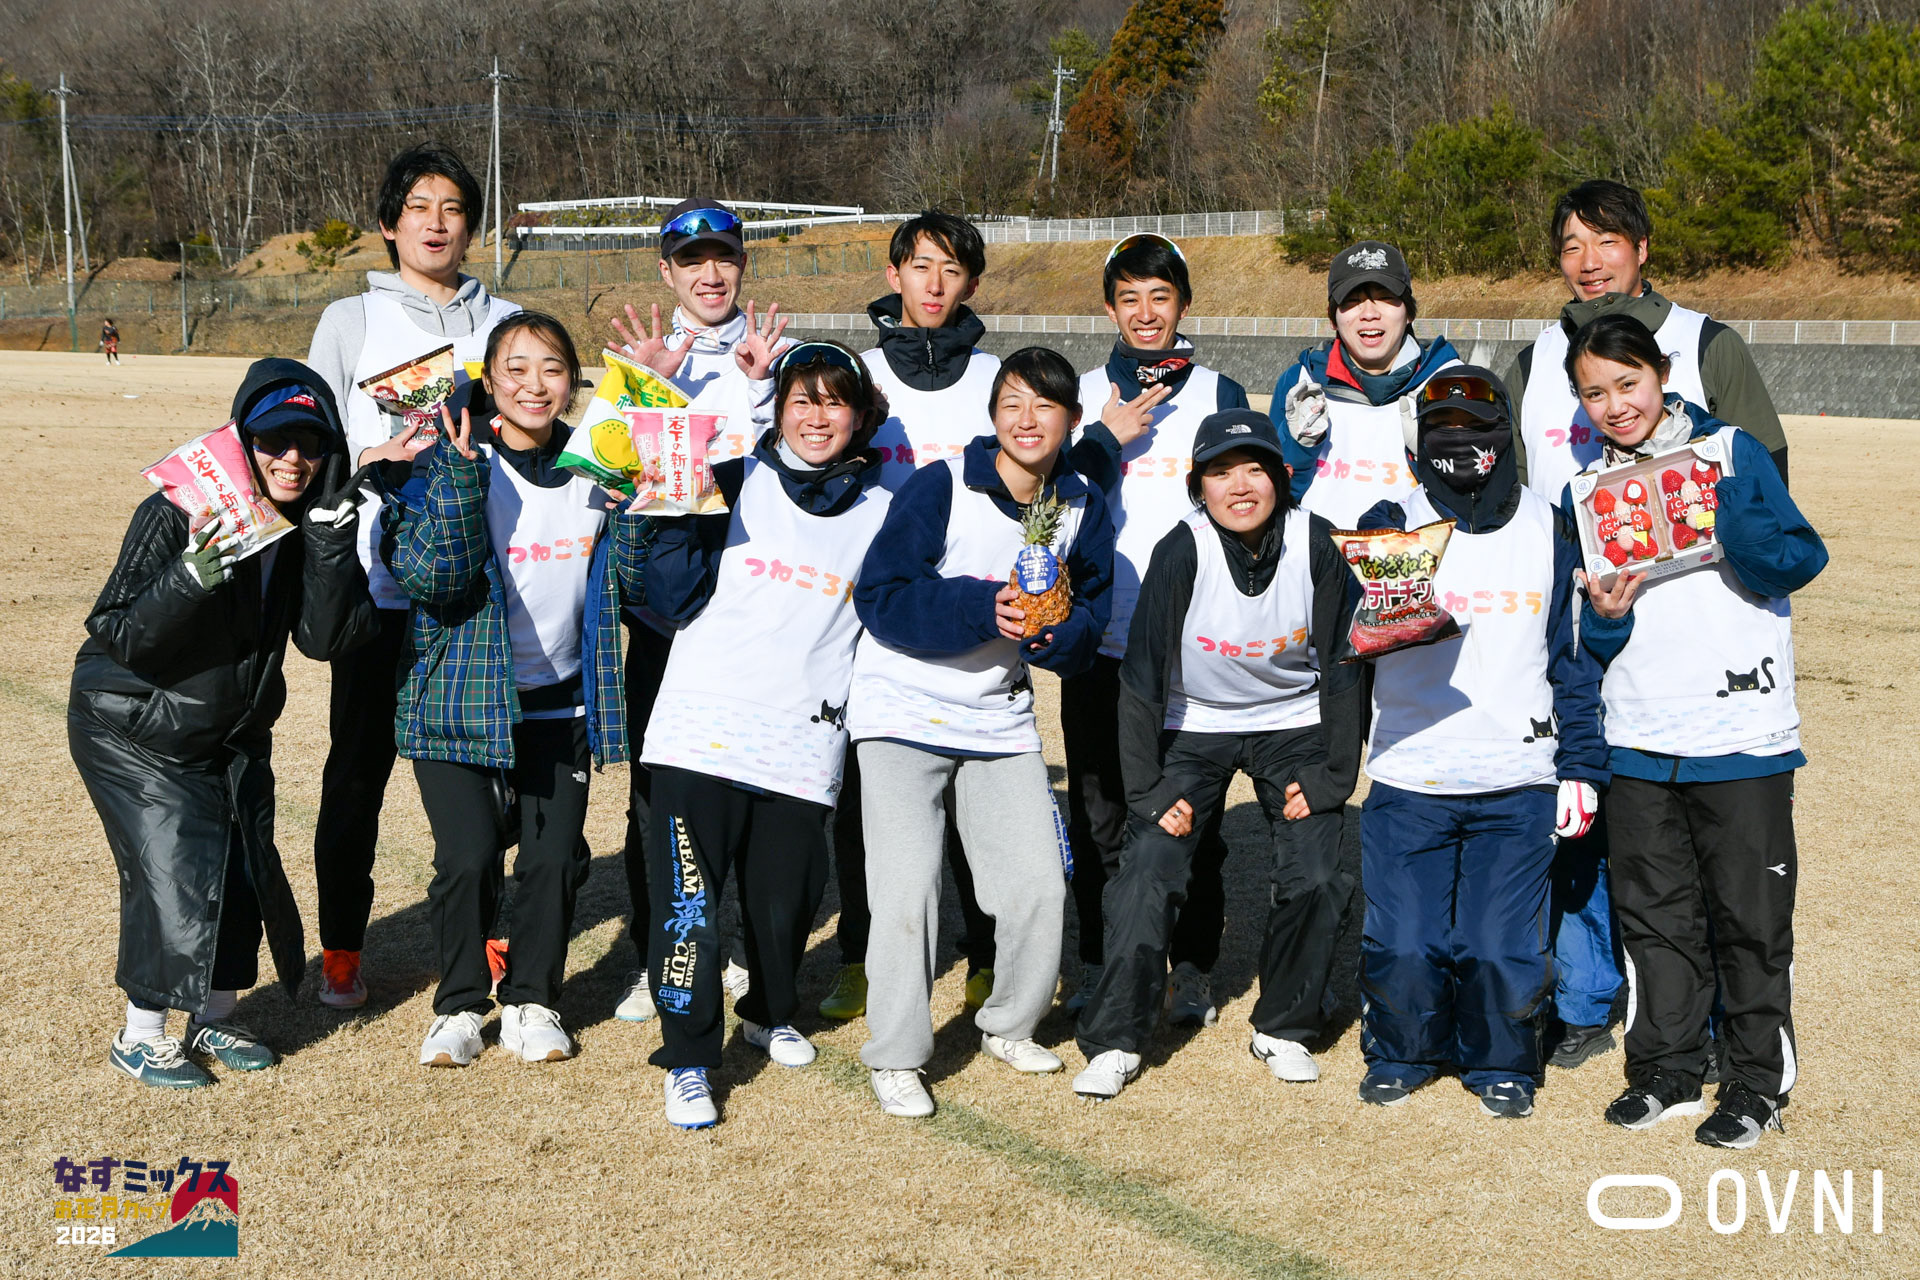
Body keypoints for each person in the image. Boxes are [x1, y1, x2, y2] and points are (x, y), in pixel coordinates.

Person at [1506, 180, 1789, 1071]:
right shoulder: (1532, 361)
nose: (1588, 262)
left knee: (1709, 863)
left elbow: (1769, 495)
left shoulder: (1706, 343)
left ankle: (1726, 1033)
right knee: (1597, 834)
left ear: (1643, 247)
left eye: (1607, 241)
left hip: (1704, 657)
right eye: (1571, 245)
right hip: (1585, 634)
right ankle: (1595, 1004)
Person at [72, 359, 374, 1088]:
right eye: (274, 441)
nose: (292, 459)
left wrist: (331, 544)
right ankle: (141, 1036)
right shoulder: (176, 510)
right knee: (174, 868)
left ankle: (216, 1017)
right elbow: (120, 631)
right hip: (133, 725)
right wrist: (187, 579)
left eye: (310, 443)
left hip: (228, 729)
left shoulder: (305, 521)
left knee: (243, 870)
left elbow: (324, 640)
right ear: (243, 440)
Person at [1565, 315, 1825, 1149]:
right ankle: (1667, 1068)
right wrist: (1606, 620)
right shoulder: (1586, 492)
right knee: (1654, 918)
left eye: (1627, 383)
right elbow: (1589, 639)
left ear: (1662, 373)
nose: (1615, 405)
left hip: (1742, 734)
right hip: (1639, 737)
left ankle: (1755, 1083)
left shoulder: (1730, 452)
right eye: (1594, 393)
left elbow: (1799, 558)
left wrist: (1736, 529)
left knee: (1750, 920)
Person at [850, 346, 1113, 1119]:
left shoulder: (1081, 505)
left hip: (998, 716)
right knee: (907, 888)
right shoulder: (943, 484)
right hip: (902, 707)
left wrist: (1055, 637)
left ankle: (1008, 1024)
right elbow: (881, 594)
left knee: (1037, 883)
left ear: (1072, 420)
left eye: (1045, 405)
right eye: (1012, 403)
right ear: (993, 414)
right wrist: (979, 608)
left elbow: (1090, 616)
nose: (1027, 419)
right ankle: (897, 1056)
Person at [636, 340, 893, 1129]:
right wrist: (671, 512)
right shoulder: (734, 476)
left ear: (860, 416)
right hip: (701, 730)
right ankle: (687, 1059)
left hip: (802, 741)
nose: (817, 416)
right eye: (802, 399)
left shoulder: (885, 509)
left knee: (785, 905)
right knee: (690, 905)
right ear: (776, 410)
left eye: (835, 401)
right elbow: (667, 595)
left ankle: (770, 1012)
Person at [1071, 409, 1362, 1101]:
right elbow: (1140, 679)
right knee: (1148, 865)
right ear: (1197, 485)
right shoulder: (1182, 549)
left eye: (1255, 469)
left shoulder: (1318, 542)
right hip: (1193, 720)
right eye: (1220, 472)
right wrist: (1148, 793)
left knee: (1319, 871)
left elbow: (1344, 664)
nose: (1239, 486)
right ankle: (1117, 1038)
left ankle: (1285, 1025)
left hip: (1291, 721)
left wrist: (1334, 777)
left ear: (1281, 478)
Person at [385, 312, 649, 1068]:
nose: (535, 384)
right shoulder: (450, 459)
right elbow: (432, 580)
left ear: (573, 383)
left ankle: (534, 999)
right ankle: (460, 1007)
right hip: (459, 702)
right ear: (490, 380)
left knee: (552, 859)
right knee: (468, 858)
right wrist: (461, 478)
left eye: (553, 368)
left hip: (560, 704)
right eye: (517, 368)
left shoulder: (596, 465)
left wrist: (634, 515)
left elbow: (630, 589)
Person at [1354, 366, 1608, 1120]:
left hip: (1518, 775)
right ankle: (1402, 1051)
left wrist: (1581, 766)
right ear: (1421, 441)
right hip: (1411, 772)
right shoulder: (1390, 521)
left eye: (1477, 427)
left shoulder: (1549, 525)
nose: (1460, 443)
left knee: (1500, 945)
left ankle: (1501, 1060)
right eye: (1443, 430)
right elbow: (1352, 647)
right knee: (1406, 940)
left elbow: (1570, 658)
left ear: (1506, 435)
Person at [304, 142, 522, 1010]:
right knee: (357, 772)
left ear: (472, 227)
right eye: (419, 207)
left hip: (474, 592)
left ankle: (489, 935)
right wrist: (371, 460)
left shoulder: (507, 320)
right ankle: (342, 948)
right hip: (376, 588)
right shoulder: (349, 320)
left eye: (453, 208)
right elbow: (313, 446)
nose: (437, 223)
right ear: (389, 224)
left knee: (484, 772)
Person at [604, 197, 792, 1026]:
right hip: (664, 618)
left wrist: (761, 389)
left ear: (742, 263)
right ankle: (660, 953)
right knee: (656, 796)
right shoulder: (640, 361)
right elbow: (605, 482)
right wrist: (644, 389)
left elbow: (793, 475)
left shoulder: (776, 358)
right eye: (691, 261)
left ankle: (742, 948)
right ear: (666, 272)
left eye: (723, 257)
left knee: (753, 784)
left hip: (757, 616)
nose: (710, 274)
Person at [1061, 232, 1251, 1026]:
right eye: (1129, 298)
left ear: (1184, 305)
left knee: (1192, 816)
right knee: (1099, 814)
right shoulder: (1077, 392)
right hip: (1099, 643)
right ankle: (1101, 961)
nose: (1145, 313)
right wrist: (1100, 438)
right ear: (1110, 308)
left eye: (1160, 297)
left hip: (1190, 648)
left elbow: (1248, 505)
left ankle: (1192, 966)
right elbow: (1051, 504)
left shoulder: (1218, 391)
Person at [816, 210, 1002, 1024]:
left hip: (967, 617)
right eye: (920, 266)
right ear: (893, 275)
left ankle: (987, 953)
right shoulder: (858, 376)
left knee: (972, 803)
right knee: (864, 801)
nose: (934, 283)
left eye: (951, 270)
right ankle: (862, 955)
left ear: (970, 284)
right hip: (867, 618)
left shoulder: (995, 379)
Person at [1271, 240, 1460, 525]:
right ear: (1332, 317)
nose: (1369, 313)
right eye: (1352, 301)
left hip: (1418, 552)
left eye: (1385, 297)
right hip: (1316, 552)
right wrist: (1300, 448)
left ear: (1409, 312)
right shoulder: (1299, 384)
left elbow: (1474, 504)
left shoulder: (1451, 383)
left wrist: (1430, 462)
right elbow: (1272, 499)